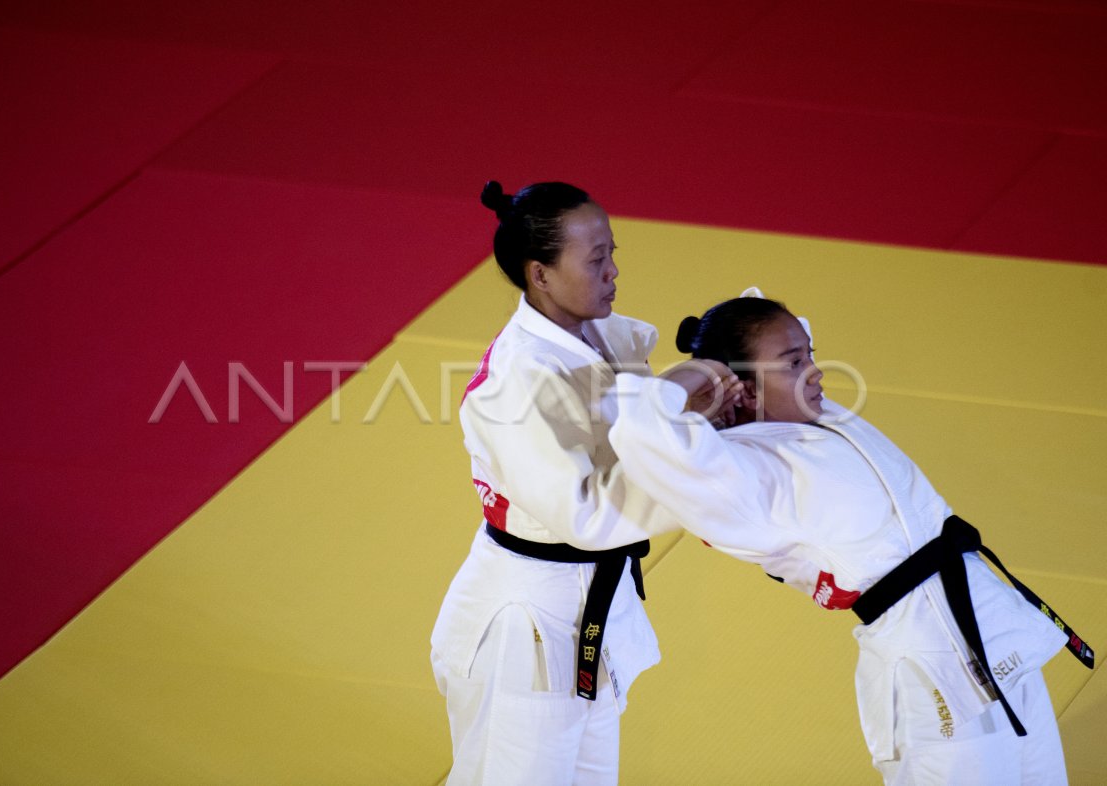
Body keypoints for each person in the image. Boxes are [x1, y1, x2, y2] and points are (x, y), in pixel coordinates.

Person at [605, 293, 1092, 785]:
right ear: (743, 391)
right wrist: (703, 372)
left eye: (811, 354)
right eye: (795, 363)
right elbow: (642, 430)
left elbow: (762, 316)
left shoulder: (811, 414)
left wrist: (755, 361)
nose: (815, 371)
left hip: (997, 633)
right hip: (933, 668)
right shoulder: (744, 472)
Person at [430, 181, 727, 785]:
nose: (613, 272)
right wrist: (695, 447)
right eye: (596, 261)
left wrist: (706, 399)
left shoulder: (600, 335)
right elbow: (588, 515)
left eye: (612, 252)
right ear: (540, 274)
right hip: (527, 623)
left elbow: (632, 429)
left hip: (591, 600)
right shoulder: (515, 384)